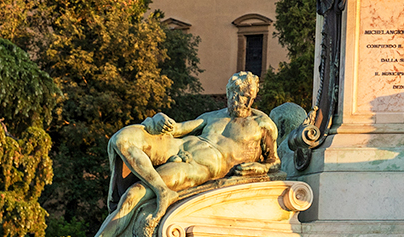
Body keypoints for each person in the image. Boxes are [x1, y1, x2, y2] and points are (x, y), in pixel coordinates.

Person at [96, 71, 281, 237]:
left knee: (133, 195)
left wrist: (259, 167)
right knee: (121, 139)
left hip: (198, 167)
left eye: (251, 98)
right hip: (177, 146)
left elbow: (275, 162)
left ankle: (160, 192)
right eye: (241, 96)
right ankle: (163, 191)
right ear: (230, 92)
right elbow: (176, 129)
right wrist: (158, 118)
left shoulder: (263, 124)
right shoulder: (212, 116)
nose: (246, 102)